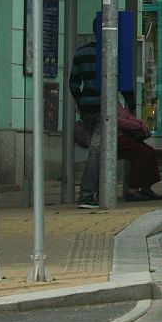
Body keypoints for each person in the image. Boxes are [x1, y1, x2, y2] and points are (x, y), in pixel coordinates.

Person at [68, 35, 103, 209]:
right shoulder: (109, 50)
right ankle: (87, 195)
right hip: (104, 109)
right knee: (97, 152)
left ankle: (96, 192)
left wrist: (81, 101)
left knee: (94, 151)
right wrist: (131, 106)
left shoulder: (81, 52)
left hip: (87, 108)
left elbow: (73, 83)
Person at [117, 101, 162, 201]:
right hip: (116, 136)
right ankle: (132, 190)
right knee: (142, 153)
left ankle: (146, 187)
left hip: (123, 135)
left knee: (150, 151)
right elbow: (118, 121)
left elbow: (125, 116)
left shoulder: (115, 101)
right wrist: (137, 126)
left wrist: (139, 122)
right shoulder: (104, 99)